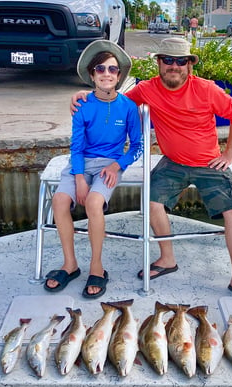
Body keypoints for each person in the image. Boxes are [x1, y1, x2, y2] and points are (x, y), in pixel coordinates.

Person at [70, 37, 232, 303]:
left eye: (180, 61)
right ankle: (167, 258)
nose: (173, 66)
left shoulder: (207, 89)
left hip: (208, 162)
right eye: (168, 60)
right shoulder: (147, 89)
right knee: (152, 202)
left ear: (189, 65)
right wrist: (82, 95)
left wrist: (230, 153)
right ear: (159, 63)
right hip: (172, 162)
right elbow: (112, 99)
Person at [44, 40, 142, 299]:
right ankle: (70, 264)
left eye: (112, 69)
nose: (106, 74)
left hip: (108, 166)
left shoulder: (129, 107)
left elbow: (138, 147)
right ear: (92, 74)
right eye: (100, 69)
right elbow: (76, 146)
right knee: (60, 200)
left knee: (94, 203)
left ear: (119, 76)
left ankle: (96, 266)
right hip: (80, 164)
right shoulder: (82, 105)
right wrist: (78, 178)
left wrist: (116, 164)